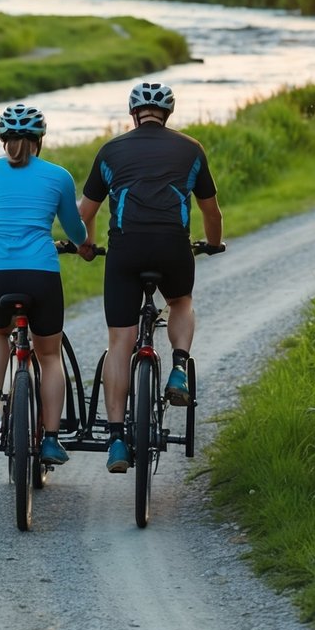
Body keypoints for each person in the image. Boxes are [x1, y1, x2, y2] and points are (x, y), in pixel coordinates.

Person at [78, 81, 223, 474]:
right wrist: (213, 244)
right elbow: (211, 212)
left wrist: (87, 245)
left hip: (125, 250)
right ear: (168, 115)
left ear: (132, 114)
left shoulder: (110, 151)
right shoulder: (191, 149)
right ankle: (178, 366)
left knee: (120, 341)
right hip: (173, 248)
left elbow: (84, 214)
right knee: (180, 301)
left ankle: (116, 440)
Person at [0, 102, 93, 466]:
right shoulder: (58, 176)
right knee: (48, 354)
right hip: (40, 273)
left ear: (2, 140)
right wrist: (83, 246)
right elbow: (76, 230)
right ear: (40, 140)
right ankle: (49, 439)